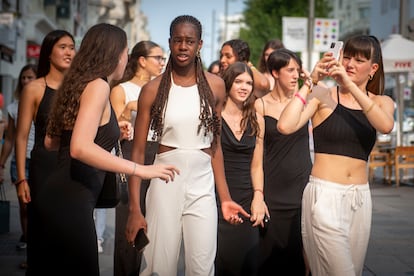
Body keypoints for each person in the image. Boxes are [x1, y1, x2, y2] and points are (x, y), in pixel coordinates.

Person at [33, 23, 178, 275]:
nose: (126, 58)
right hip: (71, 201)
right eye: (126, 52)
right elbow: (79, 147)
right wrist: (139, 169)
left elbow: (52, 142)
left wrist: (108, 133)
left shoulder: (77, 83)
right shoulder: (99, 86)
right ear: (116, 53)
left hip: (57, 195)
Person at [125, 15, 250, 276]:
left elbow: (215, 147)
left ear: (199, 44)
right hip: (164, 181)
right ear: (170, 42)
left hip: (202, 183)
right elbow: (137, 154)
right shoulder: (152, 89)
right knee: (159, 264)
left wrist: (225, 198)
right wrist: (135, 209)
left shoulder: (215, 86)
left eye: (189, 41)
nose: (183, 46)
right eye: (178, 40)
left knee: (203, 265)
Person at [277, 35, 394, 275]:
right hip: (325, 196)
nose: (350, 64)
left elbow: (385, 126)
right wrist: (311, 82)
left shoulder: (383, 102)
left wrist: (350, 86)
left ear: (373, 69)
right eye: (347, 56)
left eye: (359, 60)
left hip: (360, 199)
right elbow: (285, 126)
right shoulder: (323, 95)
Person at [15, 30, 76, 275]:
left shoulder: (80, 89)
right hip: (43, 168)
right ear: (48, 52)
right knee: (41, 235)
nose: (69, 52)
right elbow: (20, 137)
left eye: (72, 47)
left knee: (68, 236)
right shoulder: (34, 88)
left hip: (73, 169)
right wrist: (21, 178)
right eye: (63, 47)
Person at [110, 40, 165, 276]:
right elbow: (111, 128)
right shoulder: (121, 89)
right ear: (142, 60)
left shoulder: (165, 88)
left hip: (161, 156)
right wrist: (128, 110)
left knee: (157, 226)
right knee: (129, 223)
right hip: (131, 155)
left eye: (164, 59)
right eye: (158, 58)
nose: (163, 63)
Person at [254, 48, 312, 275]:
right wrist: (258, 195)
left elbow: (323, 91)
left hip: (302, 189)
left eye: (298, 70)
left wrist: (308, 78)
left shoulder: (306, 101)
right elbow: (256, 158)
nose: (295, 75)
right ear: (275, 72)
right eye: (290, 70)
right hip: (273, 191)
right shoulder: (261, 105)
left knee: (301, 259)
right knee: (270, 260)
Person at [215, 61, 269, 276]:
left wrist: (259, 197)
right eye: (238, 81)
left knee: (247, 265)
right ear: (228, 83)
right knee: (220, 264)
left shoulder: (257, 119)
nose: (244, 87)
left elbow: (257, 166)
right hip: (216, 198)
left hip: (247, 200)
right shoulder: (214, 117)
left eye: (248, 83)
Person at [0, 64, 37, 254]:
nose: (26, 81)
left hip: (39, 161)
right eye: (23, 77)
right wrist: (1, 164)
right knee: (24, 206)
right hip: (20, 162)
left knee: (38, 208)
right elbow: (9, 139)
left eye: (30, 77)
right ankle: (29, 242)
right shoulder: (14, 107)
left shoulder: (42, 100)